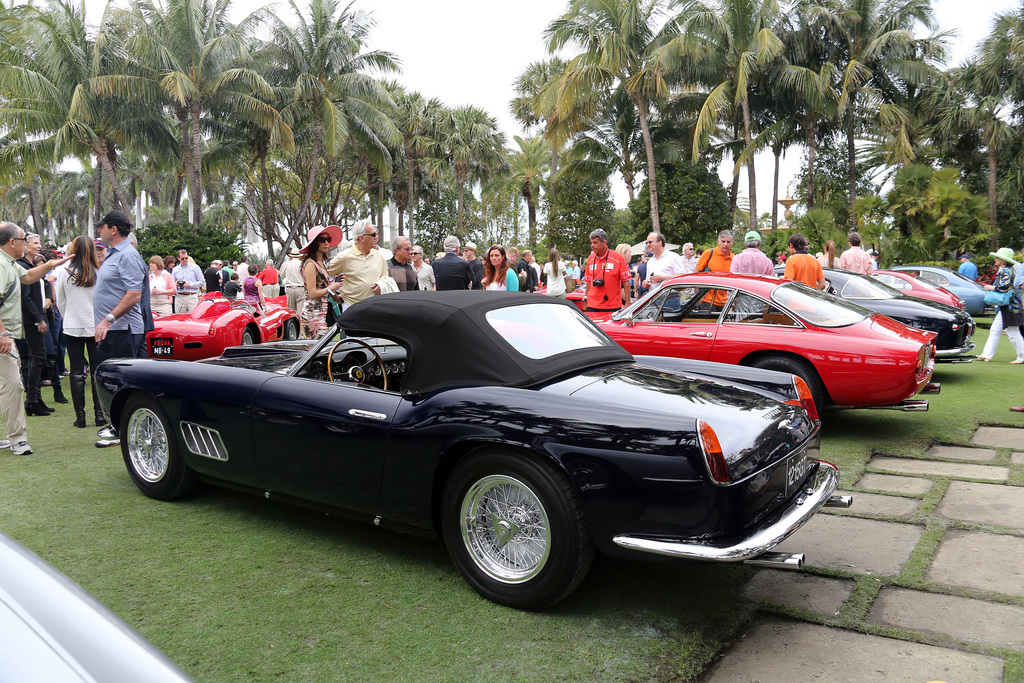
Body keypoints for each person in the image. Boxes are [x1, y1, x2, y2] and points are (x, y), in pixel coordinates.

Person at [0, 222, 71, 453]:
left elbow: (29, 276)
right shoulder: (1, 265)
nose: (26, 244)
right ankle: (18, 439)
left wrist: (52, 263)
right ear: (12, 242)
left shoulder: (9, 263)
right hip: (3, 338)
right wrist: (2, 334)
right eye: (23, 240)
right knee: (13, 386)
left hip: (8, 336)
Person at [53, 235, 104, 428]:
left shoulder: (64, 273)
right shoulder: (99, 272)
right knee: (96, 371)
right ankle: (99, 415)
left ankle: (80, 417)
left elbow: (61, 301)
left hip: (73, 325)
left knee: (76, 372)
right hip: (96, 326)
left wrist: (70, 317)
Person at [18, 234, 51, 416]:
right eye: (35, 243)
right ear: (25, 245)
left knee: (37, 357)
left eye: (39, 243)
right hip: (31, 319)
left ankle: (36, 398)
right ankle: (32, 400)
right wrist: (39, 319)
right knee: (36, 357)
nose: (39, 246)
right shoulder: (23, 267)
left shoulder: (30, 267)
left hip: (36, 317)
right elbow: (25, 298)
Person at [326, 221, 389, 309]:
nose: (376, 237)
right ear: (362, 238)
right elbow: (321, 276)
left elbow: (386, 278)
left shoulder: (379, 256)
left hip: (376, 307)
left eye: (377, 234)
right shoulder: (344, 257)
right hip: (352, 308)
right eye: (373, 234)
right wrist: (332, 293)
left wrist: (381, 285)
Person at [978, 247, 1024, 363]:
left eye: (997, 257)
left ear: (1003, 260)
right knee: (995, 330)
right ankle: (987, 354)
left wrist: (990, 288)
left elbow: (1004, 287)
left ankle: (1022, 356)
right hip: (1010, 305)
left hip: (1010, 306)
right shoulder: (1011, 270)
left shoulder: (1006, 271)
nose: (995, 259)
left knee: (1012, 331)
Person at [300, 224, 344, 338]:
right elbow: (312, 293)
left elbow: (327, 290)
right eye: (322, 239)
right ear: (315, 243)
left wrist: (338, 297)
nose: (326, 243)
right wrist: (331, 287)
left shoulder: (322, 265)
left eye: (328, 239)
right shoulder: (310, 264)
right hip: (312, 315)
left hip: (320, 315)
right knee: (318, 350)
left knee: (320, 349)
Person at [583, 229, 631, 313]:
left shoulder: (617, 257)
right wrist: (585, 299)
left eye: (595, 242)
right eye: (591, 243)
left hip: (613, 306)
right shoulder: (591, 258)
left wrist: (627, 304)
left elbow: (626, 282)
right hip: (592, 306)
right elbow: (588, 282)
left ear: (604, 242)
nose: (592, 245)